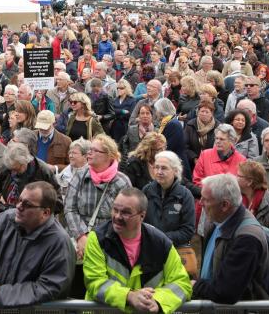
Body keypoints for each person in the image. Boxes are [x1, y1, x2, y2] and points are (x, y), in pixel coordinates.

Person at [84, 187, 192, 313]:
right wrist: (129, 296)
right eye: (115, 209)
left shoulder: (161, 243)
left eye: (126, 212)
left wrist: (157, 301)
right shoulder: (97, 238)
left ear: (142, 216)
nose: (117, 216)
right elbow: (95, 281)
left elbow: (182, 284)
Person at [0, 181, 75, 307]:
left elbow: (50, 286)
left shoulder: (59, 242)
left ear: (45, 213)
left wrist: (0, 294)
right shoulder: (5, 219)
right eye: (20, 200)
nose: (19, 206)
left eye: (27, 204)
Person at [192, 173, 269, 302]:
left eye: (206, 199)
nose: (200, 203)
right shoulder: (216, 221)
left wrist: (196, 286)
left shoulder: (247, 239)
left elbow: (225, 291)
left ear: (225, 205)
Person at [64, 134, 133, 263]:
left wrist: (96, 240)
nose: (89, 153)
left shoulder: (122, 182)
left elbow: (125, 217)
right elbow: (69, 208)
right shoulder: (80, 175)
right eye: (89, 149)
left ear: (109, 155)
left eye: (94, 150)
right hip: (78, 242)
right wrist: (81, 237)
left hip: (108, 244)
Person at [192, 124, 247, 221]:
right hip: (207, 207)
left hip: (229, 209)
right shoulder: (205, 155)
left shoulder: (241, 160)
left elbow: (242, 187)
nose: (217, 141)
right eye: (216, 138)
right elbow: (197, 180)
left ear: (232, 141)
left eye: (222, 139)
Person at [142, 151, 196, 247]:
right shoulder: (147, 191)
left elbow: (188, 231)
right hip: (149, 248)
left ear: (175, 171)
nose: (159, 172)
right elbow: (139, 220)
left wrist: (161, 238)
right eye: (156, 167)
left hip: (174, 250)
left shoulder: (185, 196)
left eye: (164, 168)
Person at [236, 160, 269, 243]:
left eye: (239, 176)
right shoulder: (235, 198)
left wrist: (251, 228)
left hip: (262, 251)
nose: (235, 178)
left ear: (250, 182)